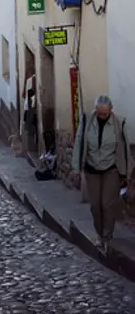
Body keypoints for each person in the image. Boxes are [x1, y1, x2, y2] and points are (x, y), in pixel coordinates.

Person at [72, 95, 133, 253]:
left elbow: (125, 148)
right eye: (99, 113)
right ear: (96, 110)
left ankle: (107, 234)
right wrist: (76, 168)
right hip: (92, 169)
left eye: (105, 114)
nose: (102, 116)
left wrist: (126, 172)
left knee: (108, 204)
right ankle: (99, 234)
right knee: (95, 206)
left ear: (110, 111)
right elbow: (79, 142)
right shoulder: (87, 120)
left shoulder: (118, 123)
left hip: (111, 169)